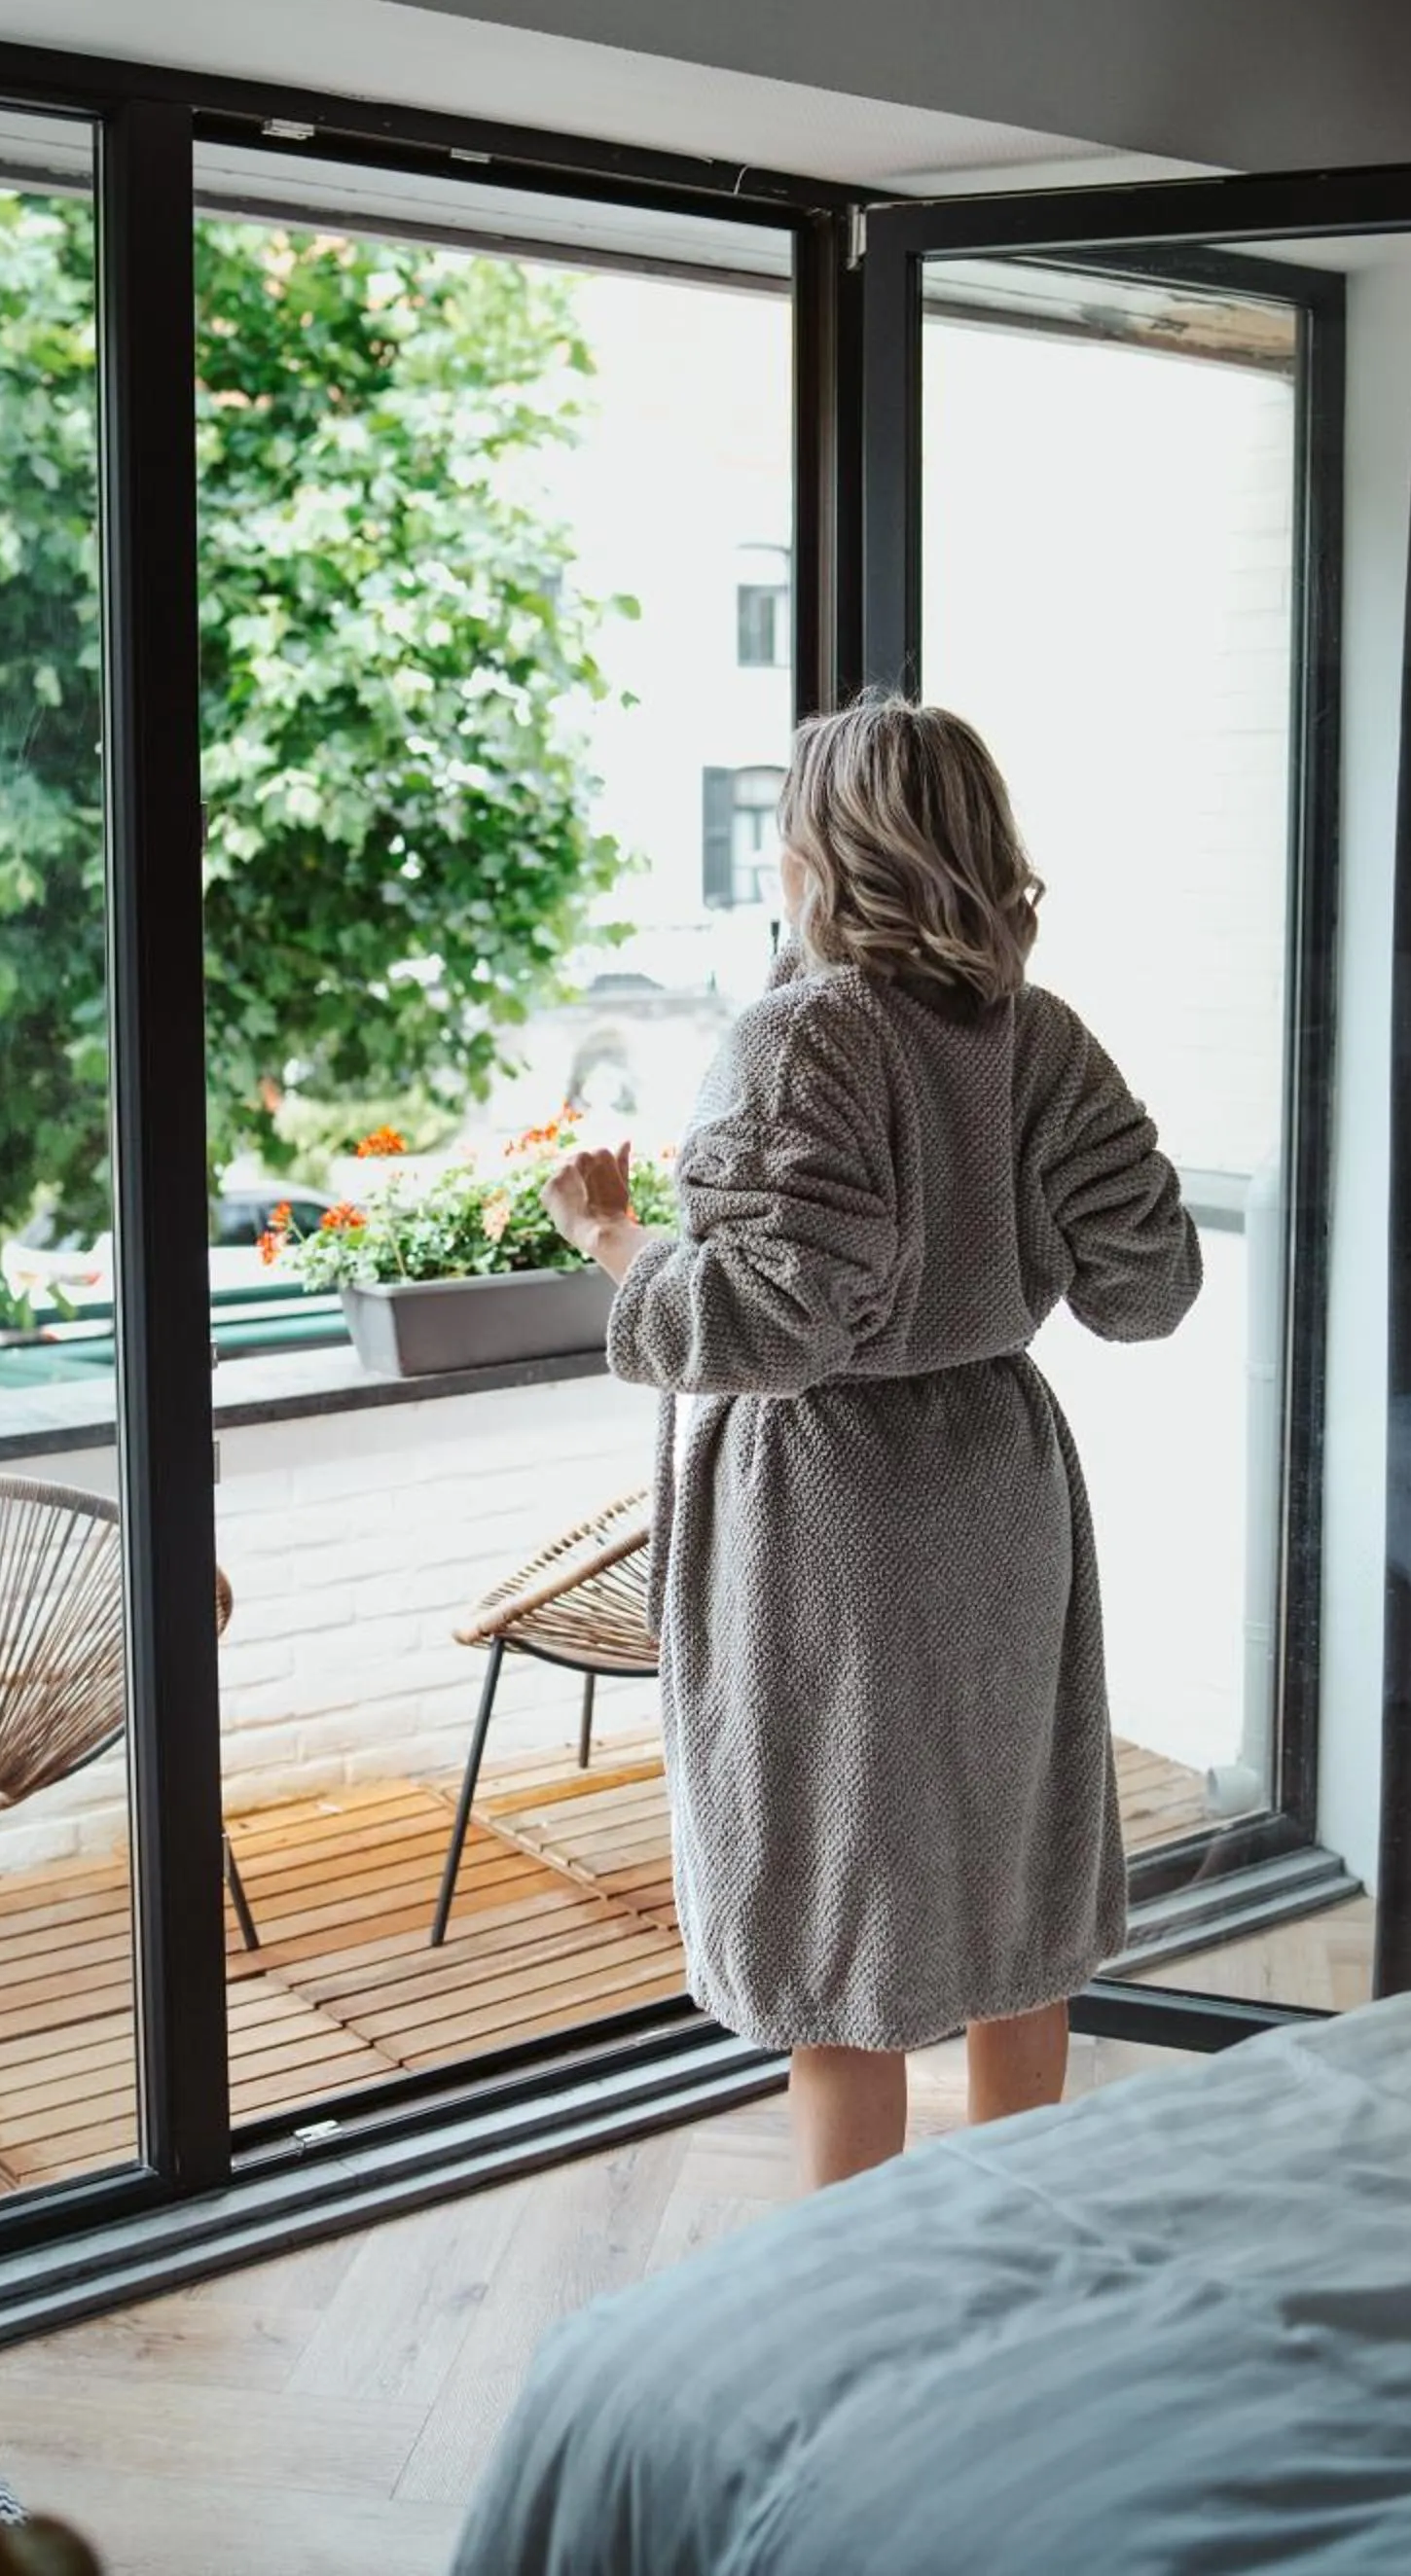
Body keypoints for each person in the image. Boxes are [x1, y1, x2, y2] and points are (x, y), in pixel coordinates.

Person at [544, 696, 1201, 2189]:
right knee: (1010, 1856)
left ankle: (854, 2290)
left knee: (845, 1890)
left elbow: (776, 1325)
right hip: (1002, 1481)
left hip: (833, 1504)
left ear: (821, 853)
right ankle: (1007, 2228)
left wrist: (613, 1238)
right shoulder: (1040, 1038)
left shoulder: (801, 1035)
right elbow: (1149, 1285)